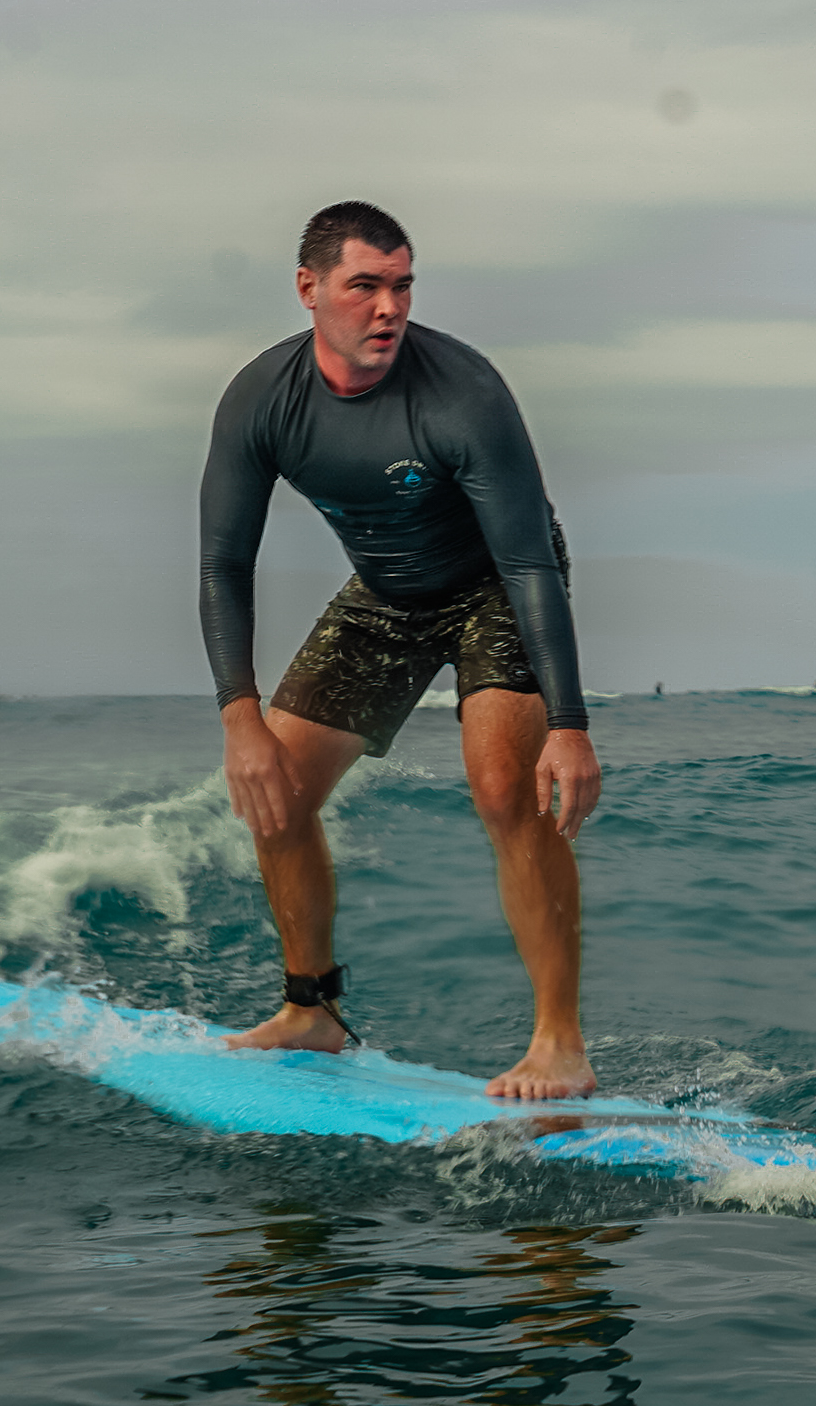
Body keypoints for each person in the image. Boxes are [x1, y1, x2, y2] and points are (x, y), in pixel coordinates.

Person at [198, 202, 601, 1099]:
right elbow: (224, 563)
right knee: (279, 793)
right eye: (366, 286)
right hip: (386, 596)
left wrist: (568, 725)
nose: (389, 307)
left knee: (504, 789)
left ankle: (559, 1044)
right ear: (310, 290)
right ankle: (312, 1011)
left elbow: (532, 561)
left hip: (497, 583)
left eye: (403, 285)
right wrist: (239, 715)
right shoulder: (264, 400)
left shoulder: (463, 392)